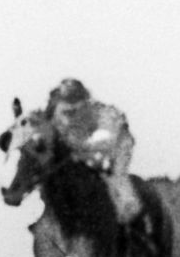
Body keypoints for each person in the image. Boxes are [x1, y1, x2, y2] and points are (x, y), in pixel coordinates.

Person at [44, 78, 142, 224]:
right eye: (66, 109)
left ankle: (128, 207)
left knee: (116, 174)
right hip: (82, 147)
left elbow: (107, 140)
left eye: (75, 107)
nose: (70, 114)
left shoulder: (102, 113)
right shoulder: (56, 111)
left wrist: (81, 147)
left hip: (118, 144)